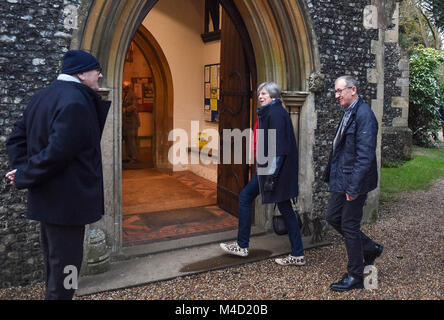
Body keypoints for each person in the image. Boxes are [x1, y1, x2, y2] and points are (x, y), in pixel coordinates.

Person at [5, 50, 111, 299]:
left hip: (49, 199)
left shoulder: (42, 96)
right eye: (96, 69)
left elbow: (16, 139)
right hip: (69, 204)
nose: (100, 74)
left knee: (56, 263)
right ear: (82, 73)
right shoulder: (76, 101)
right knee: (69, 268)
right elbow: (58, 152)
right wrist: (25, 173)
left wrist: (22, 168)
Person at [220, 82, 305, 266]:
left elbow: (280, 148)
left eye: (264, 93)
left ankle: (243, 246)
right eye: (259, 93)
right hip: (270, 170)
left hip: (273, 171)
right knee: (286, 210)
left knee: (245, 197)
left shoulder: (275, 113)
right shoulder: (271, 112)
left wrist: (271, 177)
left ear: (273, 96)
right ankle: (297, 253)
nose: (260, 96)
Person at [323, 75, 383, 292]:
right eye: (336, 91)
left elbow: (365, 156)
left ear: (353, 90)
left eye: (340, 91)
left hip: (354, 182)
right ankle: (369, 247)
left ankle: (356, 274)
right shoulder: (348, 112)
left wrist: (354, 188)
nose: (337, 95)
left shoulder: (364, 115)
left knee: (349, 225)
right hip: (342, 179)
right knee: (332, 217)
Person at [122, 82, 140, 163]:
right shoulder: (125, 95)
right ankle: (129, 157)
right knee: (127, 139)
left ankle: (134, 157)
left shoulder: (132, 95)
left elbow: (134, 106)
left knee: (131, 140)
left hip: (132, 121)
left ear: (127, 87)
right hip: (126, 121)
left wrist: (126, 110)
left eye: (124, 87)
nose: (123, 89)